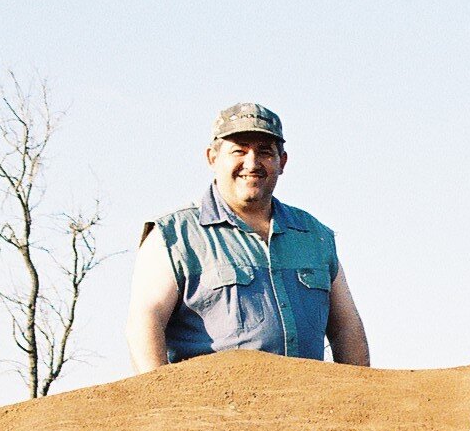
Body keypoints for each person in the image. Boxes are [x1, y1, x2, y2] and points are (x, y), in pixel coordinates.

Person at [127, 102, 371, 371]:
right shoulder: (174, 236)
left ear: (282, 162)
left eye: (265, 152)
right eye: (238, 151)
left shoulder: (315, 236)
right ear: (212, 158)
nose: (252, 163)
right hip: (213, 408)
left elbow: (345, 325)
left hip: (305, 408)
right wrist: (159, 401)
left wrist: (363, 399)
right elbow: (145, 321)